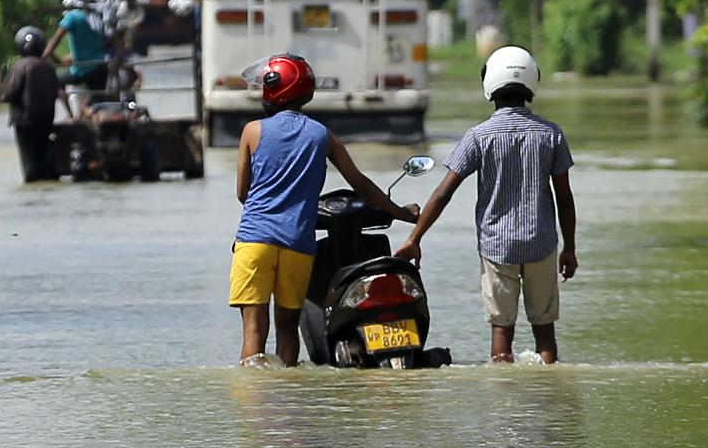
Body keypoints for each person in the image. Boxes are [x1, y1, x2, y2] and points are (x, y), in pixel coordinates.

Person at [231, 53, 420, 366]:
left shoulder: (252, 132)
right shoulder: (321, 135)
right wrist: (401, 213)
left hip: (254, 242)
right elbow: (361, 184)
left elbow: (243, 193)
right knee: (288, 329)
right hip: (297, 245)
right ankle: (287, 402)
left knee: (253, 331)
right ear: (306, 91)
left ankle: (254, 406)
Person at [394, 46, 578, 364]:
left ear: (488, 84)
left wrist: (414, 238)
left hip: (497, 247)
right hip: (542, 244)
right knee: (545, 333)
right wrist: (570, 249)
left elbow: (443, 194)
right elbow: (564, 197)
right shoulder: (551, 135)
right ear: (533, 81)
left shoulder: (479, 136)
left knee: (501, 333)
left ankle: (503, 405)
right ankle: (551, 400)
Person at [0, 26, 60, 182]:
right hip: (46, 122)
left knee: (30, 169)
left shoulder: (19, 66)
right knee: (43, 164)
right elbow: (56, 93)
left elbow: (6, 95)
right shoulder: (49, 68)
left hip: (24, 123)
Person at [42, 0, 108, 117]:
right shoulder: (94, 15)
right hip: (101, 67)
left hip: (83, 70)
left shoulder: (72, 17)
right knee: (95, 104)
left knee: (55, 82)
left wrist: (42, 58)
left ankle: (70, 115)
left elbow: (55, 40)